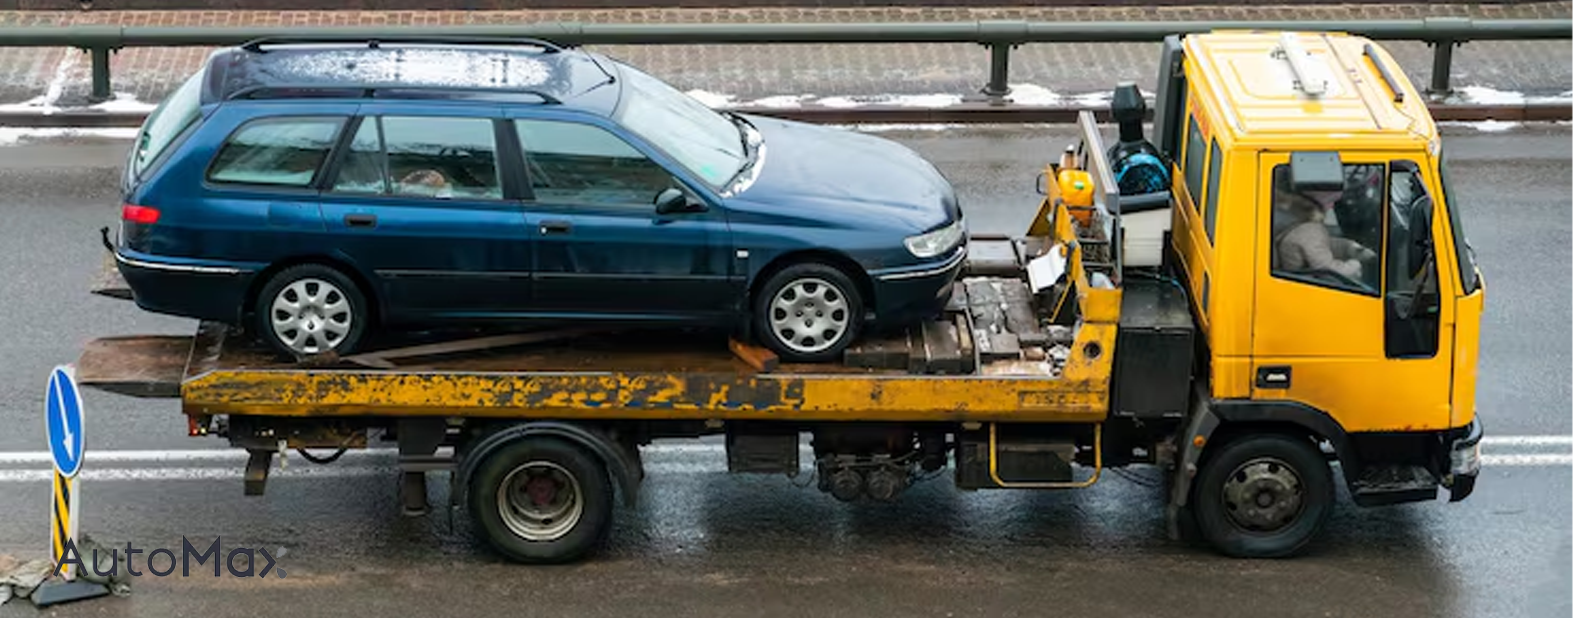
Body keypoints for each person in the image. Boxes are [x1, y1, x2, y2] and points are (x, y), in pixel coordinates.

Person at [1274, 186, 1377, 284]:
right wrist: (1356, 265)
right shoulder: (1309, 230)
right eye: (1330, 201)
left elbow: (1319, 245)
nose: (1332, 206)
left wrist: (1348, 248)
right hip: (1300, 284)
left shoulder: (1297, 219)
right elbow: (1330, 273)